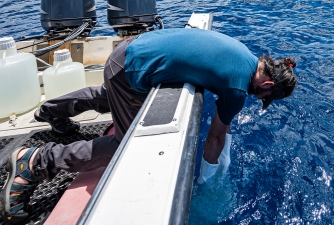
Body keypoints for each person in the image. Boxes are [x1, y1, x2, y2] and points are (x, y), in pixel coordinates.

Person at [0, 28, 297, 223]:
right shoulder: (238, 88)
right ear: (267, 84)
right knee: (127, 147)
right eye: (264, 97)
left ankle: (52, 111)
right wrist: (208, 180)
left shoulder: (245, 56)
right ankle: (36, 161)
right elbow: (216, 138)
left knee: (110, 95)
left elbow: (221, 115)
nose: (258, 99)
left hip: (131, 52)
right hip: (129, 70)